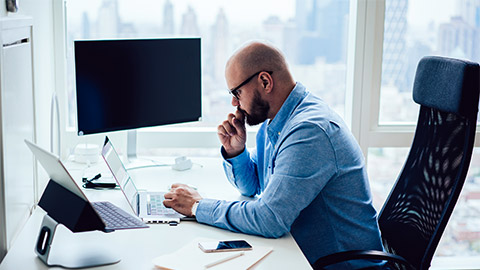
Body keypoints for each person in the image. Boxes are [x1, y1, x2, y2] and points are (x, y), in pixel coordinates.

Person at [164, 41, 384, 267]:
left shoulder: (309, 132)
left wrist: (197, 206)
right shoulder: (276, 122)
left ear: (265, 81)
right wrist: (236, 151)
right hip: (300, 255)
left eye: (236, 92)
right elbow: (253, 187)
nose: (234, 102)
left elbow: (269, 220)